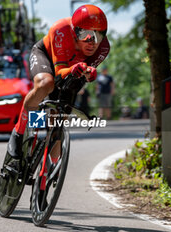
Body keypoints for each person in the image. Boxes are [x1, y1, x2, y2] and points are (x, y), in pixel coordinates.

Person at [6, 5, 110, 164]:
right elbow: (59, 73)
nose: (92, 41)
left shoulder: (103, 48)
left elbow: (84, 76)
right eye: (86, 34)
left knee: (60, 115)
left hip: (73, 70)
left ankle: (52, 167)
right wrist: (78, 69)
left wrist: (89, 73)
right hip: (47, 57)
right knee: (46, 84)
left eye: (99, 34)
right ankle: (18, 132)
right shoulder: (61, 29)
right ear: (75, 32)